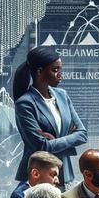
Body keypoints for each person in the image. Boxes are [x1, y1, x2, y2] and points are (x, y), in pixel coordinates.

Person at [12, 45, 87, 187]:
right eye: (55, 70)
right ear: (40, 71)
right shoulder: (25, 104)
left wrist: (55, 142)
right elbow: (42, 145)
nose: (60, 75)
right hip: (38, 176)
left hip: (64, 173)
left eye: (60, 69)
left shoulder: (62, 95)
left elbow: (82, 134)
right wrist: (68, 139)